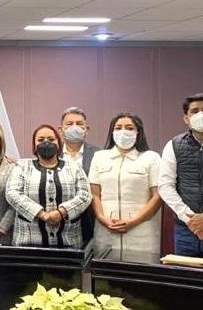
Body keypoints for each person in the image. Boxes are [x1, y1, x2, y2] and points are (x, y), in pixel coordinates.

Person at [89, 113, 161, 263]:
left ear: (138, 132)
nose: (123, 131)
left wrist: (133, 221)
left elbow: (157, 196)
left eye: (129, 128)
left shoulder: (151, 158)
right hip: (107, 229)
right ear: (112, 132)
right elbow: (94, 194)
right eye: (118, 128)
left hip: (142, 232)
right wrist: (103, 218)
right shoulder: (99, 157)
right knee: (106, 275)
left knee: (141, 275)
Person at [6, 125, 92, 248]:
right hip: (28, 243)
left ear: (59, 143)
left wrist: (61, 212)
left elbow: (85, 195)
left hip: (68, 241)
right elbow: (12, 193)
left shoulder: (74, 167)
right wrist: (42, 214)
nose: (46, 142)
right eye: (40, 140)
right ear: (34, 145)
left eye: (51, 139)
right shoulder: (22, 166)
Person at [158, 93, 203, 257]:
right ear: (186, 118)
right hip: (186, 229)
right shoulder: (174, 145)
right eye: (195, 111)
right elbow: (165, 186)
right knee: (185, 272)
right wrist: (191, 219)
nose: (200, 115)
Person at [60, 106, 100, 244]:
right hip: (60, 217)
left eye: (79, 124)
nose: (75, 127)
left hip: (90, 218)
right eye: (70, 124)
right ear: (60, 130)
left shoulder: (99, 154)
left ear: (86, 129)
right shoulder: (52, 153)